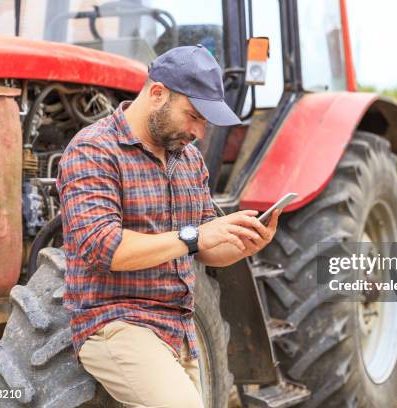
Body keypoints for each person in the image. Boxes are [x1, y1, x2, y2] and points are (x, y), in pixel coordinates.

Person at [57, 45, 280, 408]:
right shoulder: (93, 150)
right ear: (157, 93)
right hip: (116, 322)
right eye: (192, 116)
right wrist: (196, 235)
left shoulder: (189, 159)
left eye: (204, 122)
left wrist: (245, 242)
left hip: (179, 330)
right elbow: (104, 248)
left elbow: (205, 249)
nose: (198, 132)